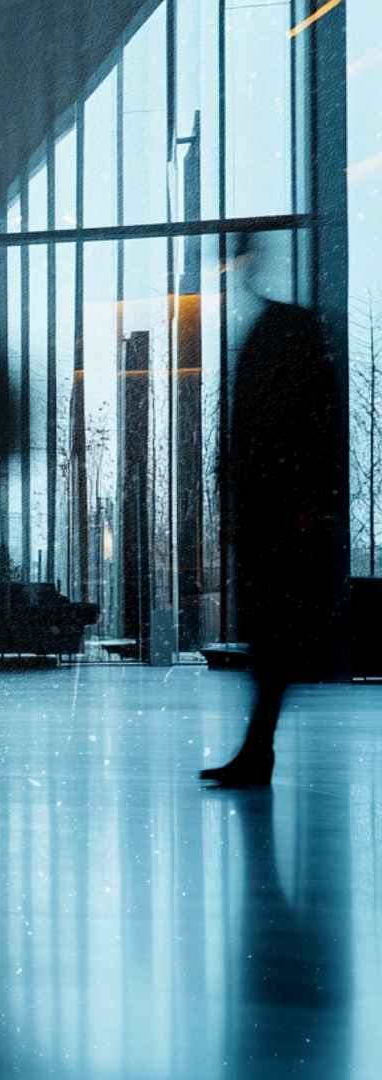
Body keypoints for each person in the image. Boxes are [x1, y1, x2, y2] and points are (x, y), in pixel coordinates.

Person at [201, 254, 344, 787]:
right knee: (272, 633)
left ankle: (258, 748)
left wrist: (308, 503)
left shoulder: (285, 331)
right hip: (269, 509)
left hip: (279, 511)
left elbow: (310, 424)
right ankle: (258, 747)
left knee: (274, 632)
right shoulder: (274, 330)